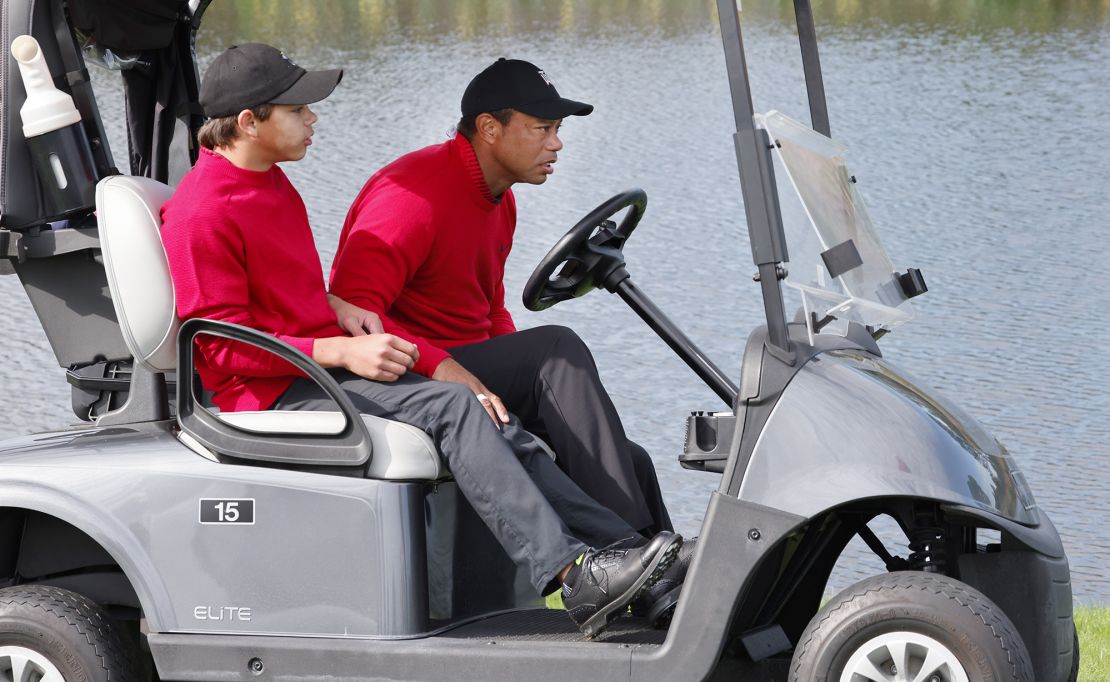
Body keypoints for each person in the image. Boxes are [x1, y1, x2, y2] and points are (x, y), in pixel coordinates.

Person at [159, 43, 681, 637]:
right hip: (267, 392)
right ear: (249, 122)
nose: (314, 119)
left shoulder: (273, 186)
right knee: (457, 407)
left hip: (311, 369)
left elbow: (310, 304)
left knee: (500, 419)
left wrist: (422, 357)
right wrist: (339, 350)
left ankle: (625, 554)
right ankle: (573, 576)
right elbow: (217, 346)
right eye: (299, 109)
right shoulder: (202, 211)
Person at [329, 58, 673, 540]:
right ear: (490, 128)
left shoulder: (498, 197)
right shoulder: (412, 197)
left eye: (557, 129)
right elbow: (351, 312)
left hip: (469, 366)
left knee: (630, 459)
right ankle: (630, 550)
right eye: (542, 128)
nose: (557, 143)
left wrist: (522, 390)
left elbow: (489, 310)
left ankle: (674, 573)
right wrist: (451, 369)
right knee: (555, 349)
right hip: (412, 376)